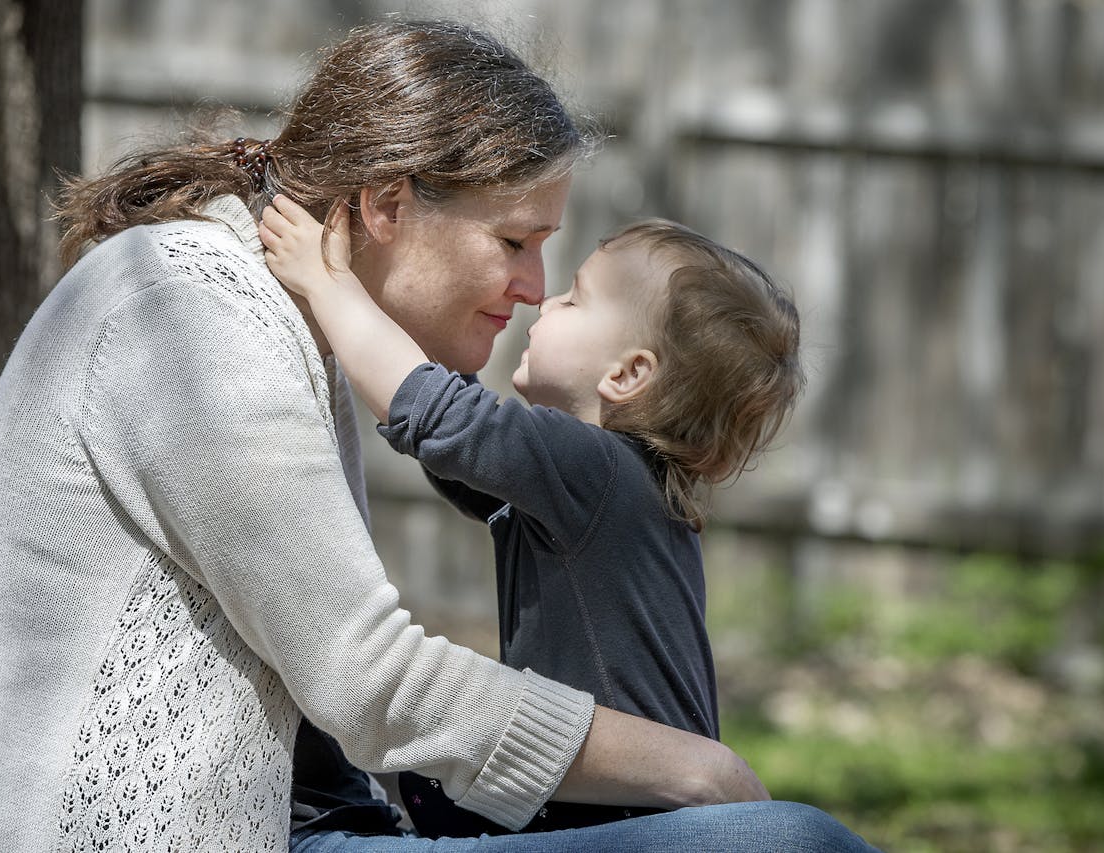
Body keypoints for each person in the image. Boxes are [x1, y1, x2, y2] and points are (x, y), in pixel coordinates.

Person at [0, 18, 875, 853]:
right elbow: (366, 675)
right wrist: (691, 769)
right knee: (787, 841)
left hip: (305, 825)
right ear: (385, 206)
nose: (534, 288)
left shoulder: (263, 317)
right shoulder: (187, 315)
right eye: (513, 242)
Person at [260, 195, 803, 841]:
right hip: (629, 807)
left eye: (574, 299)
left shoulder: (596, 470)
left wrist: (330, 285)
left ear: (627, 374)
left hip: (622, 815)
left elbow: (437, 415)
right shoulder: (610, 490)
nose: (543, 303)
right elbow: (451, 448)